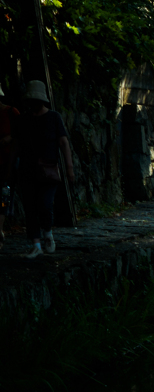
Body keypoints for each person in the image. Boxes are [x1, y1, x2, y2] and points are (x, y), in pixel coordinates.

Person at [15, 80, 75, 258]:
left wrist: (69, 168)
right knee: (30, 207)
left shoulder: (53, 117)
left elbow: (64, 143)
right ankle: (36, 244)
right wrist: (11, 169)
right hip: (27, 169)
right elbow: (16, 146)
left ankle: (47, 234)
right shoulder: (24, 120)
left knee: (45, 204)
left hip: (48, 170)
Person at [0, 83, 19, 251]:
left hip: (6, 163)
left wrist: (9, 138)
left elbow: (21, 135)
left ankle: (0, 229)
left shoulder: (11, 113)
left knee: (3, 198)